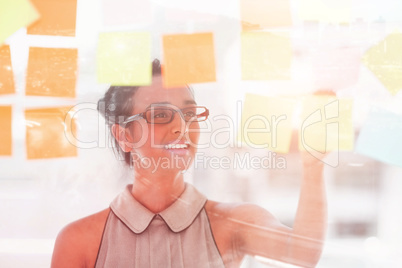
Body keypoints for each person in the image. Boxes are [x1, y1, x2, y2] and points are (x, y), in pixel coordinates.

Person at [51, 60, 327, 268]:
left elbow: (303, 253)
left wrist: (313, 168)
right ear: (124, 135)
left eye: (188, 113)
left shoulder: (234, 222)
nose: (181, 127)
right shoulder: (79, 241)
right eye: (160, 114)